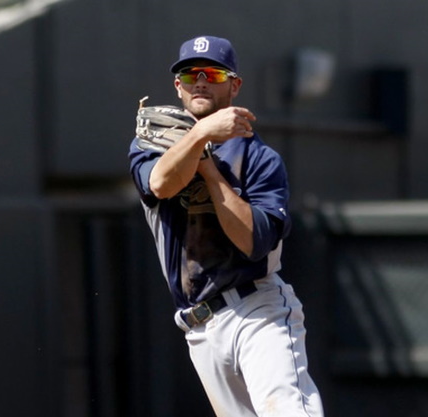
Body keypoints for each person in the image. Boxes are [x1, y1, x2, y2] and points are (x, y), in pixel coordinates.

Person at [128, 35, 324, 417]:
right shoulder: (151, 144)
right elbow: (160, 185)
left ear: (234, 85)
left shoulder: (259, 158)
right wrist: (200, 136)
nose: (200, 81)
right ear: (177, 87)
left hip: (257, 309)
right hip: (198, 325)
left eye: (213, 73)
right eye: (189, 74)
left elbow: (252, 242)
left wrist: (208, 168)